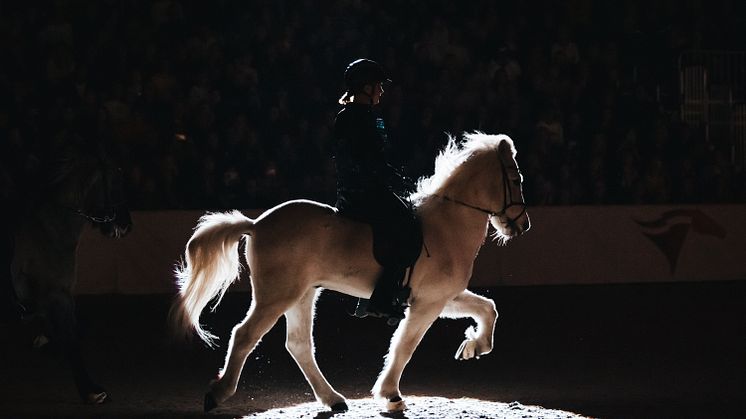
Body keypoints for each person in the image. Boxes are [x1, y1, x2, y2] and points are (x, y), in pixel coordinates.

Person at [333, 58, 421, 325]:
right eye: (378, 86)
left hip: (370, 186)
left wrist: (396, 178)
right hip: (360, 191)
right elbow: (364, 161)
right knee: (405, 226)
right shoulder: (351, 118)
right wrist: (392, 180)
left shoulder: (367, 116)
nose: (382, 91)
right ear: (365, 88)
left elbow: (378, 159)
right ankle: (380, 299)